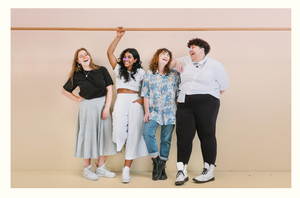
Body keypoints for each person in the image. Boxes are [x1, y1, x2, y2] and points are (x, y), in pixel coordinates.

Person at [170, 38, 229, 185]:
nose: (190, 50)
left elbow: (223, 85)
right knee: (183, 136)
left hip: (208, 101)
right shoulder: (183, 60)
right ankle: (181, 171)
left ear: (202, 49)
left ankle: (208, 171)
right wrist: (175, 60)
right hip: (184, 102)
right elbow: (166, 65)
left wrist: (207, 96)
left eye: (193, 47)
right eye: (189, 47)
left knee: (207, 134)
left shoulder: (215, 65)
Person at [62, 48, 117, 181]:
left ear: (89, 56)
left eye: (86, 54)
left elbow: (109, 89)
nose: (84, 56)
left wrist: (106, 107)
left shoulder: (101, 70)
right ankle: (87, 170)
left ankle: (101, 168)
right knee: (87, 137)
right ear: (78, 61)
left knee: (106, 135)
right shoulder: (77, 75)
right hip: (87, 108)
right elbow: (65, 91)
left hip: (102, 104)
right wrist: (77, 99)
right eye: (81, 56)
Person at [107, 28, 148, 183]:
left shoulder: (142, 73)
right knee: (118, 131)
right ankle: (120, 147)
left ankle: (126, 169)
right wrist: (118, 37)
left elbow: (148, 91)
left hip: (134, 102)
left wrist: (141, 100)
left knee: (133, 135)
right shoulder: (118, 69)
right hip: (121, 101)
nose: (126, 59)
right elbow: (109, 53)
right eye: (124, 57)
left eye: (129, 57)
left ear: (135, 59)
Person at [141, 48, 180, 181]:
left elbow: (178, 93)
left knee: (166, 140)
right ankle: (156, 161)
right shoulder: (149, 74)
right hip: (154, 111)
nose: (166, 56)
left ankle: (162, 167)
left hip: (170, 112)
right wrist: (146, 111)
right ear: (156, 57)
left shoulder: (174, 75)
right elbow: (145, 94)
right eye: (163, 54)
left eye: (168, 55)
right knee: (147, 133)